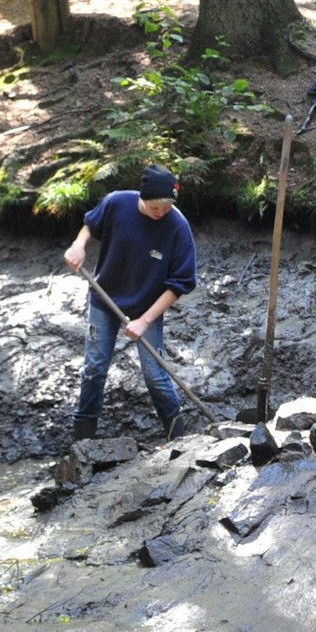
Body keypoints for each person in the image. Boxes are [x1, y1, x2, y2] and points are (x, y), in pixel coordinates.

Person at [63, 164, 198, 442]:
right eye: (154, 207)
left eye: (166, 207)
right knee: (94, 368)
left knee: (155, 375)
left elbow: (181, 283)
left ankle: (180, 441)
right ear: (141, 197)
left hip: (147, 307)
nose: (160, 213)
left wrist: (145, 320)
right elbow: (91, 224)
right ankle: (82, 441)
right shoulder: (116, 203)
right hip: (105, 299)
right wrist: (79, 244)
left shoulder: (177, 227)